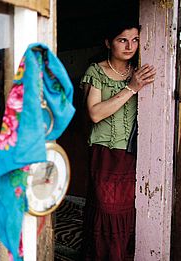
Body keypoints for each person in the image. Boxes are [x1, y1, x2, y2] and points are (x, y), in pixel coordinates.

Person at [80, 20, 156, 260]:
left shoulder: (138, 71)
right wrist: (131, 89)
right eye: (122, 40)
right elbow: (95, 113)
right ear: (108, 43)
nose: (129, 46)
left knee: (126, 212)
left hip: (131, 154)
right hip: (104, 154)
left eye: (134, 40)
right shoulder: (96, 72)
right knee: (106, 210)